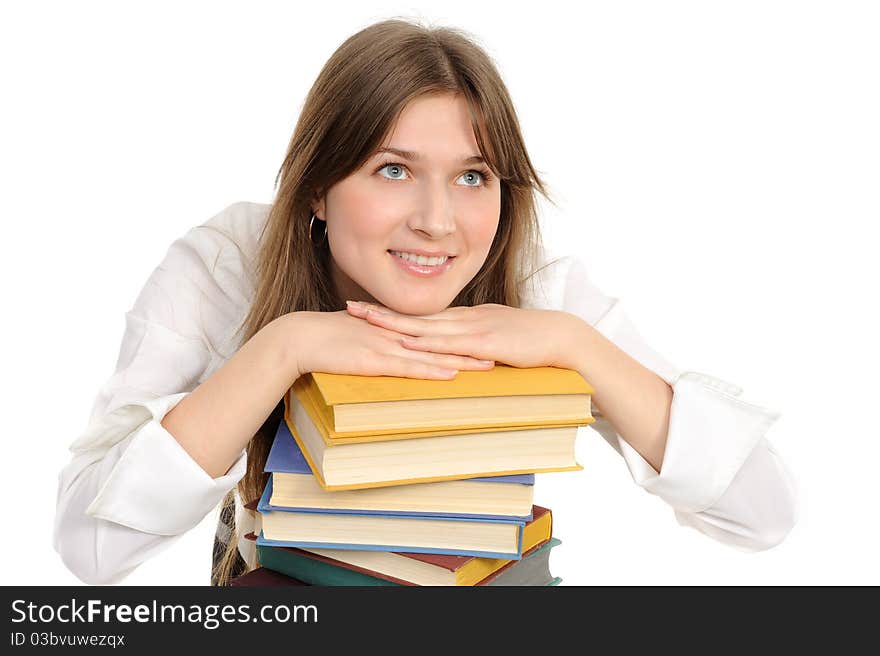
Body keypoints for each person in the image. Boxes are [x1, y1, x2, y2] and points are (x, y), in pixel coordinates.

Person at [52, 18, 797, 586]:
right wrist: (283, 348)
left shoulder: (537, 291)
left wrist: (576, 346)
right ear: (317, 185)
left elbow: (763, 515)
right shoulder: (226, 264)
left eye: (474, 177)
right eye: (393, 169)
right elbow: (89, 546)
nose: (437, 222)